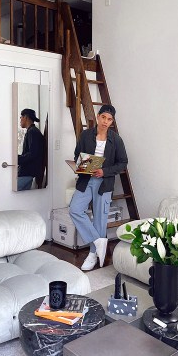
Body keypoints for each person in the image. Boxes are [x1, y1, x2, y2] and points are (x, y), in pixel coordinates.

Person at [69, 104, 128, 270]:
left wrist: (104, 171)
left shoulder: (116, 139)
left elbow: (123, 163)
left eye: (109, 119)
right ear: (98, 116)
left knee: (100, 220)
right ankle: (98, 241)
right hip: (86, 180)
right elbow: (77, 155)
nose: (106, 121)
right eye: (103, 117)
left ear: (112, 122)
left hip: (104, 182)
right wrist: (85, 164)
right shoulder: (86, 135)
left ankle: (92, 255)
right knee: (75, 209)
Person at [18, 108, 45, 191]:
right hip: (28, 172)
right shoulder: (32, 131)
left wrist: (16, 159)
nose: (20, 120)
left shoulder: (32, 132)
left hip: (27, 173)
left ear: (26, 117)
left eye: (21, 117)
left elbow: (32, 154)